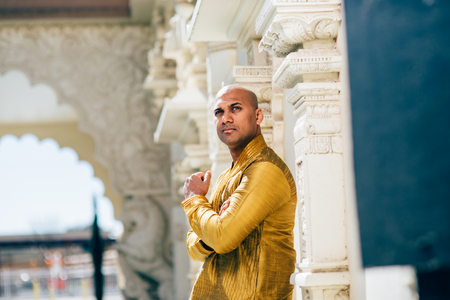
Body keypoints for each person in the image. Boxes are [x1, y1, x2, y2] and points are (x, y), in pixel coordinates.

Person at [182, 85, 297, 300]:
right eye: (219, 112)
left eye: (235, 109)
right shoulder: (228, 175)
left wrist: (195, 199)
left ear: (258, 116)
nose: (225, 118)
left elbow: (222, 237)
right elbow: (193, 247)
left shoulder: (265, 170)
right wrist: (212, 230)